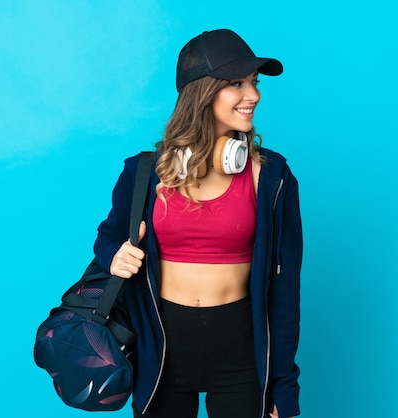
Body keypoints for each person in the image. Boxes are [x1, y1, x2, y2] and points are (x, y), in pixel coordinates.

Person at [93, 29, 302, 418]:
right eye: (237, 83)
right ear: (201, 91)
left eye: (254, 83)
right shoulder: (144, 174)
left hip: (241, 352)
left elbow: (285, 288)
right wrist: (114, 256)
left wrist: (283, 387)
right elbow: (108, 237)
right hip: (162, 350)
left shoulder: (272, 177)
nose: (253, 95)